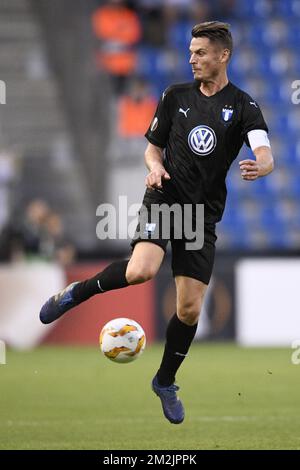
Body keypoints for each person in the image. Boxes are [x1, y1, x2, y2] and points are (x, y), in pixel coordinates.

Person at [39, 21, 274, 425]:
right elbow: (153, 149)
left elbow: (263, 149)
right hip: (165, 196)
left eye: (201, 52)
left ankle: (165, 381)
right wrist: (153, 169)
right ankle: (77, 292)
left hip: (202, 215)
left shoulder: (244, 105)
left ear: (223, 56)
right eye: (191, 52)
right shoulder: (174, 96)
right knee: (141, 271)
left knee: (188, 309)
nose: (192, 59)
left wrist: (265, 164)